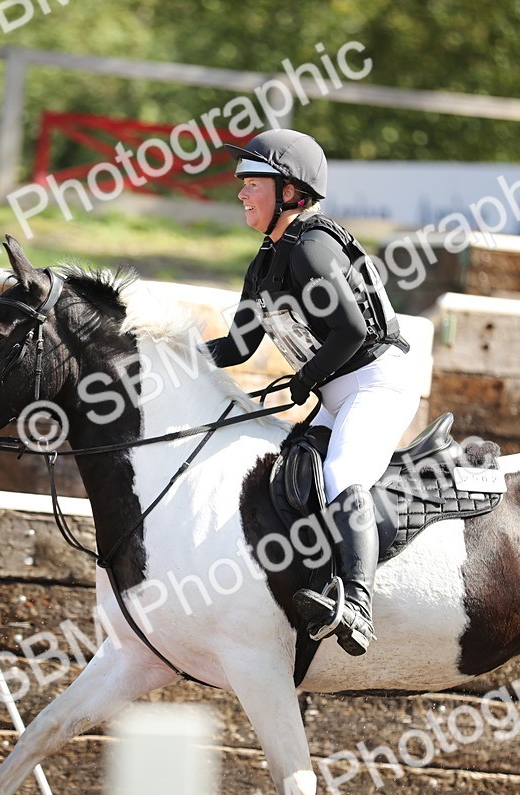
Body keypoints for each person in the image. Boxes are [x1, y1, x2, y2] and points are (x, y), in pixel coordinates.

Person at [205, 129, 424, 656]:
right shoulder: (264, 263)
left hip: (376, 381)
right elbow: (237, 347)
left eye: (250, 182)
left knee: (344, 474)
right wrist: (171, 356)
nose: (241, 194)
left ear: (288, 191)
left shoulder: (311, 245)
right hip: (337, 391)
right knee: (292, 477)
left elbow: (351, 331)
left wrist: (305, 380)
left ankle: (360, 607)